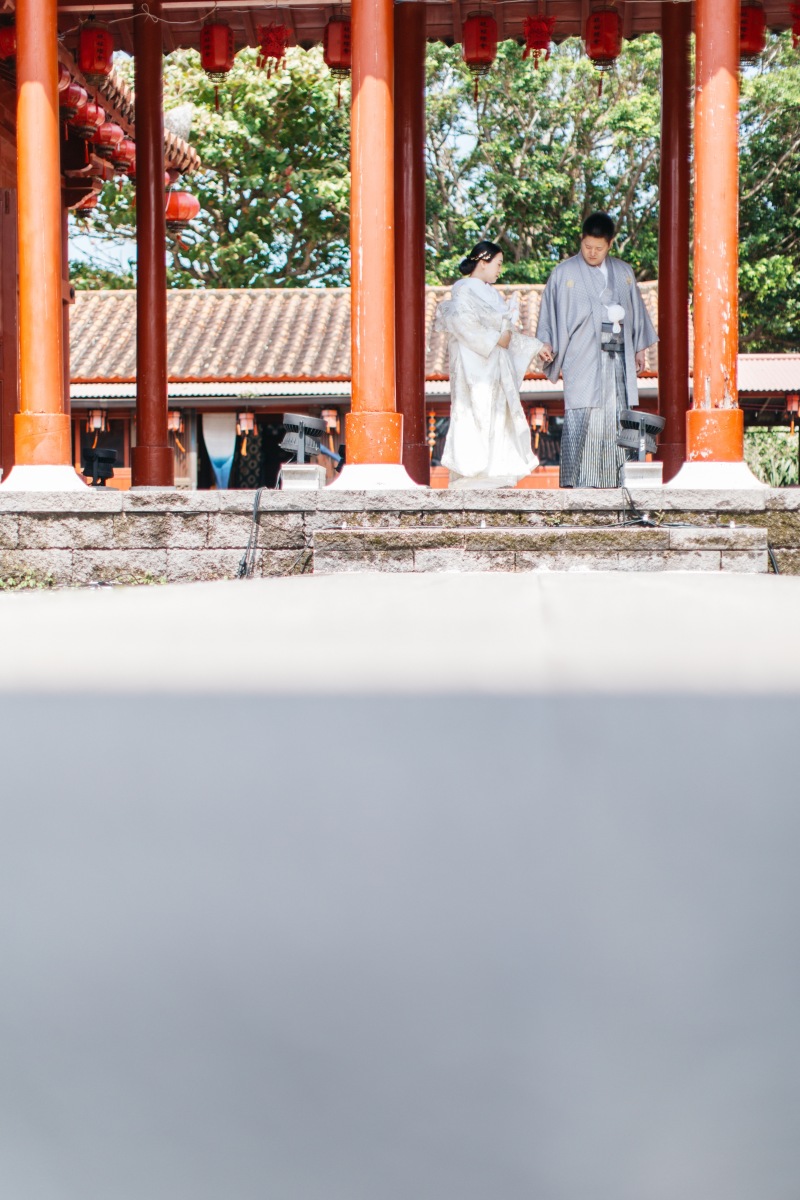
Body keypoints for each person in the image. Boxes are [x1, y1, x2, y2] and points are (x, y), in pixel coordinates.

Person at [536, 212, 658, 488]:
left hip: (617, 357)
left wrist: (639, 348)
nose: (592, 253)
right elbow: (549, 314)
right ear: (581, 240)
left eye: (599, 248)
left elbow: (636, 313)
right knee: (583, 412)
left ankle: (617, 478)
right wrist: (546, 343)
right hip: (582, 356)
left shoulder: (624, 272)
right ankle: (576, 481)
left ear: (610, 244)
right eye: (587, 247)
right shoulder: (563, 273)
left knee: (617, 414)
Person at [435, 241, 544, 489]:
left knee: (497, 413)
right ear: (483, 261)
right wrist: (497, 337)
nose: (499, 269)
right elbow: (465, 325)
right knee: (473, 412)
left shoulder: (492, 294)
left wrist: (536, 346)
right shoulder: (462, 290)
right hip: (473, 364)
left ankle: (496, 469)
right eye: (498, 263)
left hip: (495, 365)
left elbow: (506, 333)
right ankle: (472, 471)